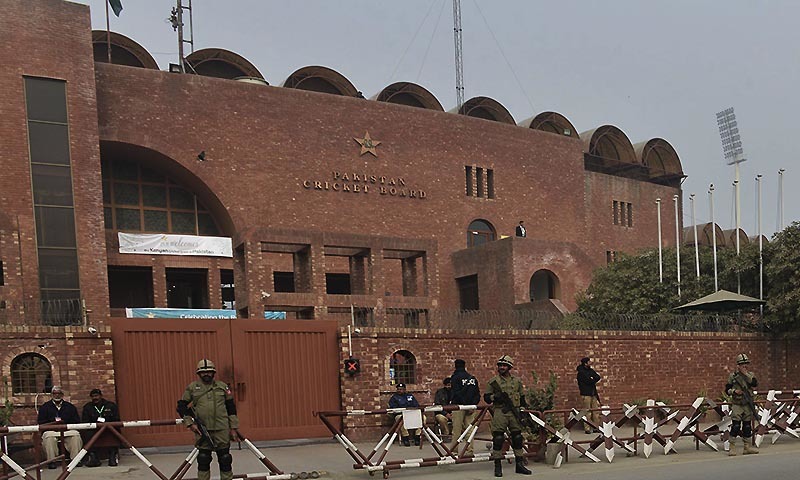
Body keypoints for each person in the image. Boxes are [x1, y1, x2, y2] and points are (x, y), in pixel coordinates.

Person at [177, 359, 242, 480]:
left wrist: (233, 428)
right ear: (199, 374)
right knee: (203, 459)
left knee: (225, 459)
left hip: (221, 429)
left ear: (213, 373)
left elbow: (231, 408)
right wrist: (190, 424)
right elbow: (181, 406)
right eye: (203, 372)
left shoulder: (222, 387)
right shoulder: (192, 388)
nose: (206, 374)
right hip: (202, 431)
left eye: (209, 372)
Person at [484, 355, 531, 477]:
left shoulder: (517, 381)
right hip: (500, 411)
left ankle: (519, 465)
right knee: (498, 438)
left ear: (509, 367)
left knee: (517, 437)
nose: (502, 367)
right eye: (500, 365)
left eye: (504, 365)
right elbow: (486, 398)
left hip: (514, 411)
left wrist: (522, 410)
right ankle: (498, 466)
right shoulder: (493, 382)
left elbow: (521, 398)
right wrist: (495, 397)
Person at [37, 386, 83, 469]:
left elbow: (76, 421)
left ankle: (76, 460)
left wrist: (66, 426)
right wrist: (53, 426)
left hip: (66, 430)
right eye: (55, 393)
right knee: (48, 437)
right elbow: (41, 422)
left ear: (62, 395)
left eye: (59, 393)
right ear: (52, 395)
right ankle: (51, 461)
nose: (57, 395)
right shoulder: (45, 407)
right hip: (51, 430)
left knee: (75, 435)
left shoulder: (70, 407)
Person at [725, 353, 759, 456]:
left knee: (747, 426)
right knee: (735, 425)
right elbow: (727, 389)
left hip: (747, 403)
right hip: (737, 403)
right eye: (742, 364)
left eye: (746, 364)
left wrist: (745, 374)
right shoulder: (733, 376)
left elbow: (754, 384)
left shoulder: (750, 375)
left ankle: (747, 447)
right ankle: (732, 446)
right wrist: (734, 391)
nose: (744, 366)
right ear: (738, 365)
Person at [81, 388, 120, 467]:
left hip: (109, 428)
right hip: (94, 429)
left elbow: (117, 419)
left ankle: (112, 456)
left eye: (97, 396)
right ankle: (93, 457)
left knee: (116, 431)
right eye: (93, 396)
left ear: (101, 396)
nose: (95, 398)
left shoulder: (111, 405)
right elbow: (85, 421)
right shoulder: (87, 407)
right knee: (86, 433)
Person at [450, 358, 480, 456]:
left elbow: (456, 393)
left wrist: (464, 405)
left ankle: (454, 451)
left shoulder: (455, 377)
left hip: (458, 406)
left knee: (457, 430)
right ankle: (469, 451)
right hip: (471, 407)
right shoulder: (472, 378)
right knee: (470, 429)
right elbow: (477, 394)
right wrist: (472, 405)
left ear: (455, 366)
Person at [576, 356, 602, 434]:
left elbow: (597, 377)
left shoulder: (590, 370)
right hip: (586, 394)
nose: (590, 363)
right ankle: (587, 428)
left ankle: (596, 427)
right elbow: (587, 381)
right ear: (585, 363)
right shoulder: (581, 373)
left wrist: (592, 379)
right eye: (588, 362)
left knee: (595, 411)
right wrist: (591, 379)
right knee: (587, 411)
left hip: (593, 393)